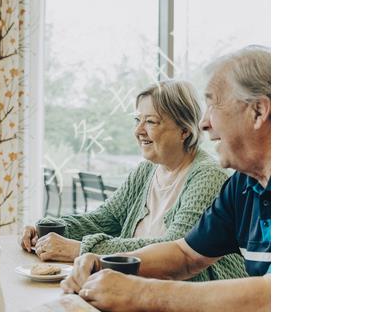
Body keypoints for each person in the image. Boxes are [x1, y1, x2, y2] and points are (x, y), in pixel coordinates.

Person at [61, 46, 271, 312]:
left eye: (214, 104)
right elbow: (185, 255)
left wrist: (142, 293)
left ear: (258, 112)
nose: (204, 123)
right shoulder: (242, 185)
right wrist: (107, 263)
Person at [20, 80, 247, 281]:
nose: (138, 130)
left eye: (150, 121)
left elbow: (172, 250)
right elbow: (105, 218)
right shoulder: (146, 170)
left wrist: (81, 249)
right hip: (138, 284)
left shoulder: (207, 176)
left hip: (191, 294)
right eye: (137, 120)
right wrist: (52, 232)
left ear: (184, 130)